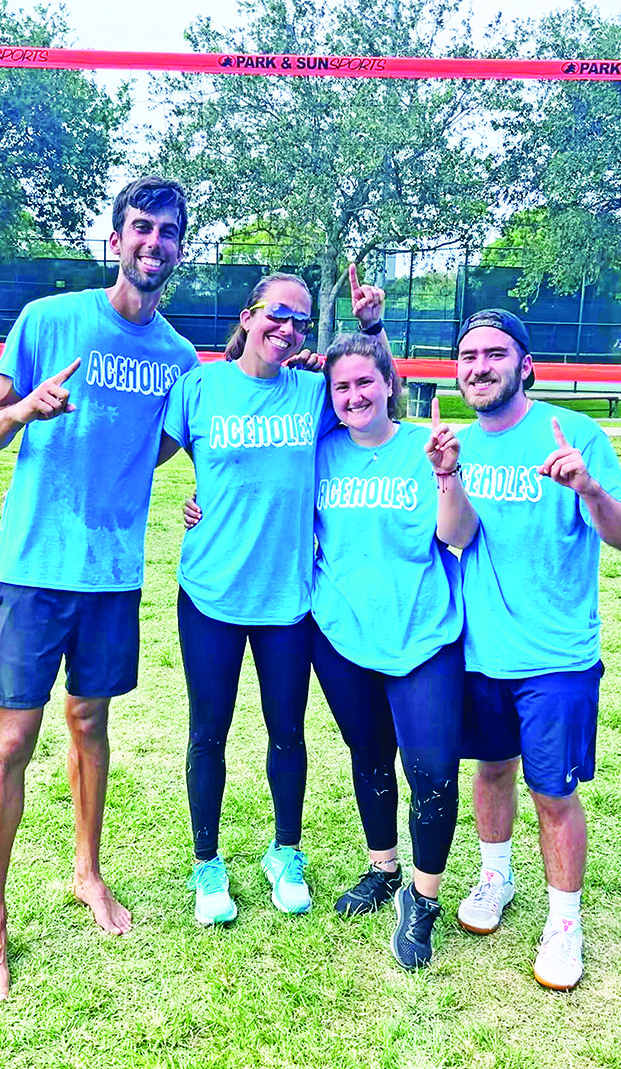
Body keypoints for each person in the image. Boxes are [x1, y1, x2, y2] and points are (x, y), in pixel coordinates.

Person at [0, 177, 198, 1003]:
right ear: (115, 239)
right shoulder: (47, 320)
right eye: (141, 226)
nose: (152, 242)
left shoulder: (179, 359)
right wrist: (24, 409)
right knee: (13, 740)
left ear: (179, 249)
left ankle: (87, 872)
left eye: (167, 231)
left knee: (91, 721)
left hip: (112, 574)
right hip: (34, 566)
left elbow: (170, 444)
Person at [160, 271, 372, 926]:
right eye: (278, 314)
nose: (289, 329)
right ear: (249, 315)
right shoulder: (199, 387)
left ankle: (285, 853)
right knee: (209, 730)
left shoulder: (313, 393)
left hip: (288, 598)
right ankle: (206, 864)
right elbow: (145, 457)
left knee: (287, 731)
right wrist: (194, 500)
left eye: (301, 322)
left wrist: (369, 328)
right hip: (211, 592)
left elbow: (375, 394)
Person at [452, 308, 621, 990]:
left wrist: (589, 488)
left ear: (525, 365)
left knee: (553, 793)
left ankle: (565, 923)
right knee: (490, 770)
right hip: (477, 652)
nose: (480, 367)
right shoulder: (457, 447)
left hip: (556, 658)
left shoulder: (575, 434)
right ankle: (495, 877)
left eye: (495, 354)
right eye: (469, 356)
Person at [311, 325, 478, 970]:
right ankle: (383, 869)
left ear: (389, 384)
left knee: (432, 769)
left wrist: (446, 475)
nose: (354, 395)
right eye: (342, 386)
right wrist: (200, 506)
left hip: (424, 633)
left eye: (365, 382)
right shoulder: (321, 452)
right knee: (371, 754)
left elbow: (456, 535)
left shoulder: (424, 447)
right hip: (342, 632)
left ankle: (423, 897)